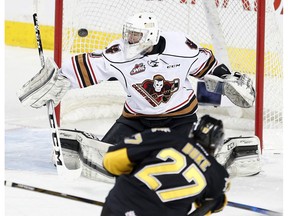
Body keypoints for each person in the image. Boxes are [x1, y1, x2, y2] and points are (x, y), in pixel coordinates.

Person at [18, 12, 255, 146]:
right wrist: (58, 77)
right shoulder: (118, 54)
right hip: (136, 118)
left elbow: (207, 64)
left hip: (180, 117)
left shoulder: (180, 46)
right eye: (128, 33)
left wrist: (226, 77)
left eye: (135, 35)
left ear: (150, 36)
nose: (128, 39)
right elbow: (90, 65)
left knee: (182, 161)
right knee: (109, 155)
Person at [100, 115, 230, 216]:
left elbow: (111, 161)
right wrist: (218, 200)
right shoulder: (218, 174)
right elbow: (214, 203)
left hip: (119, 205)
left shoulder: (166, 136)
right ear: (217, 143)